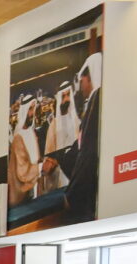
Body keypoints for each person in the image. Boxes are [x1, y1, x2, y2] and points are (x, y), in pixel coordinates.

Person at [43, 52, 101, 224]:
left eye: (82, 81)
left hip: (80, 185)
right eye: (64, 96)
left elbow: (87, 154)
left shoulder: (94, 105)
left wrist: (73, 191)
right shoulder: (54, 125)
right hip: (63, 180)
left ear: (89, 78)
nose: (67, 99)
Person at [8, 97, 41, 208]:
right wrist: (41, 168)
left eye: (33, 108)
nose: (32, 113)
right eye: (30, 109)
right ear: (24, 110)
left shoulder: (31, 133)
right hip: (23, 195)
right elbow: (23, 173)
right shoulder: (18, 137)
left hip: (36, 186)